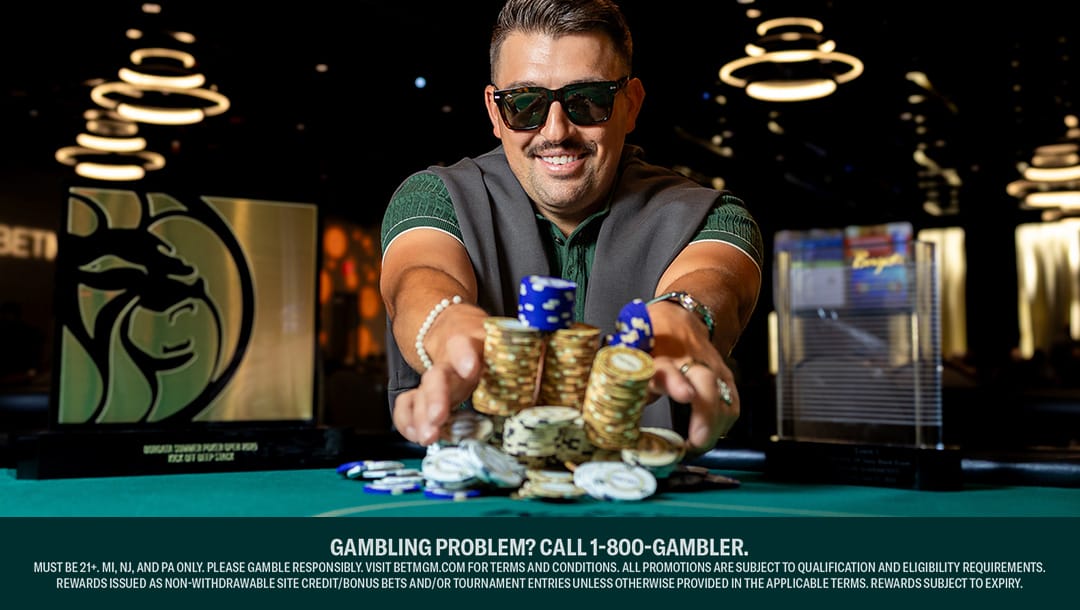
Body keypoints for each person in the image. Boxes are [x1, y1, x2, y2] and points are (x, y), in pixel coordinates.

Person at [379, 0, 763, 456]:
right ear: (495, 112)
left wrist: (684, 318)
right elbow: (417, 278)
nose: (556, 130)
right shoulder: (432, 196)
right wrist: (445, 326)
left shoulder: (715, 213)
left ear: (631, 104)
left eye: (587, 100)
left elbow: (715, 279)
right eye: (525, 103)